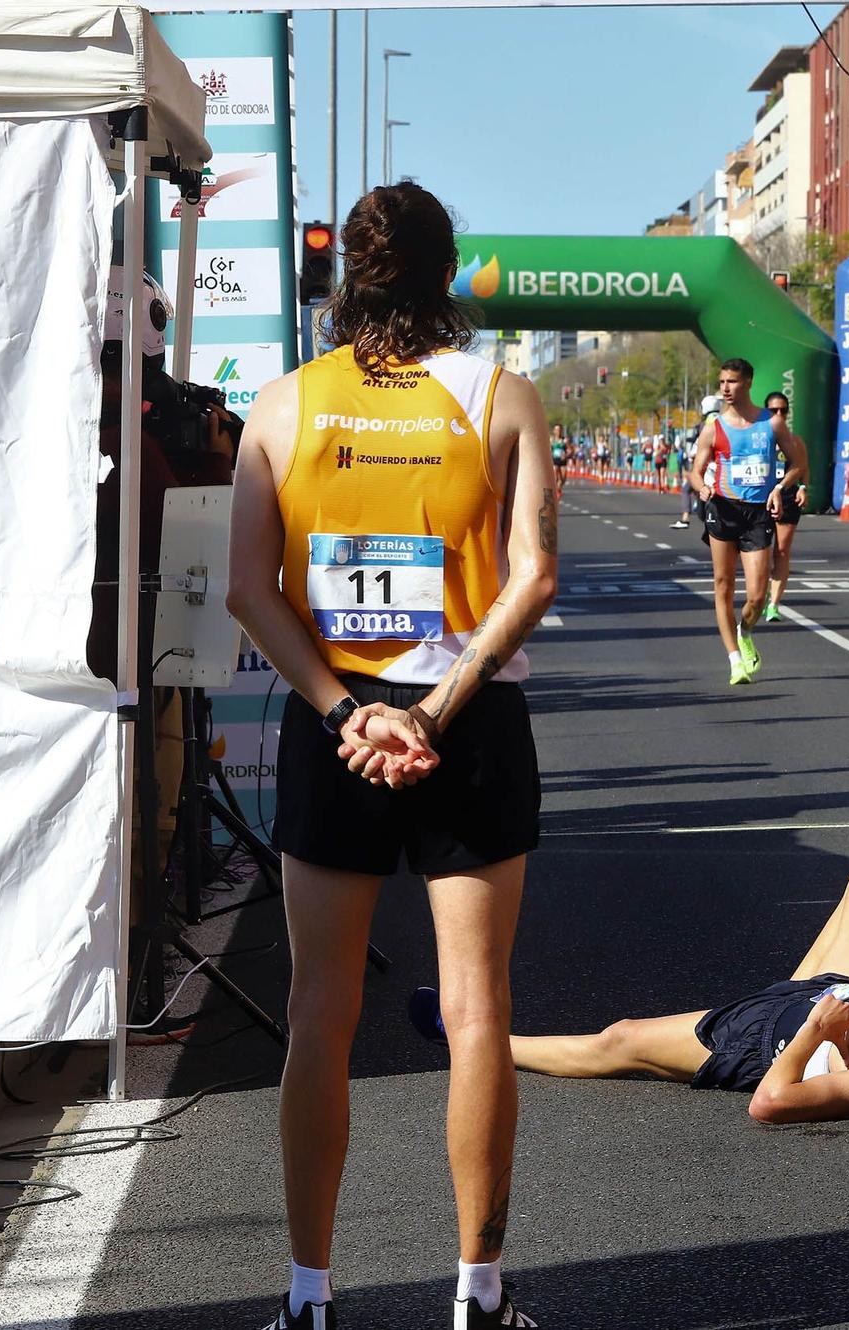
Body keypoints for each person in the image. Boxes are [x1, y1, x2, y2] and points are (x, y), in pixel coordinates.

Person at [225, 183, 556, 1330]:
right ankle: (478, 1293)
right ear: (447, 273)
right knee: (476, 1011)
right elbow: (534, 579)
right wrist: (431, 711)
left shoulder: (281, 405)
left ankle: (310, 1298)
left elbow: (245, 594)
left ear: (348, 279)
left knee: (318, 1011)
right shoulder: (501, 394)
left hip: (336, 731)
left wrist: (342, 713)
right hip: (466, 726)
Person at [410, 861, 849, 1120]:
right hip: (830, 987)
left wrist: (814, 1036)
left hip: (768, 1039)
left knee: (620, 1038)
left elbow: (773, 1104)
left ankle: (473, 1042)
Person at [689, 365, 807, 684]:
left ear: (749, 382)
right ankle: (734, 660)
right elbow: (695, 471)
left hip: (757, 512)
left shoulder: (772, 423)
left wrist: (779, 488)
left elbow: (797, 464)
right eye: (722, 382)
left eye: (733, 381)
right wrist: (701, 487)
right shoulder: (714, 428)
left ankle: (746, 631)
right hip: (723, 508)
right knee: (722, 584)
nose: (726, 387)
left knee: (756, 595)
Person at [760, 391, 807, 624]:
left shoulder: (795, 440)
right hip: (760, 499)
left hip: (787, 499)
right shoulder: (759, 438)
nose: (779, 414)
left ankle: (773, 605)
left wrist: (802, 488)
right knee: (759, 553)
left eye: (783, 410)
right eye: (773, 410)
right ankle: (758, 596)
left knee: (781, 551)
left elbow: (803, 467)